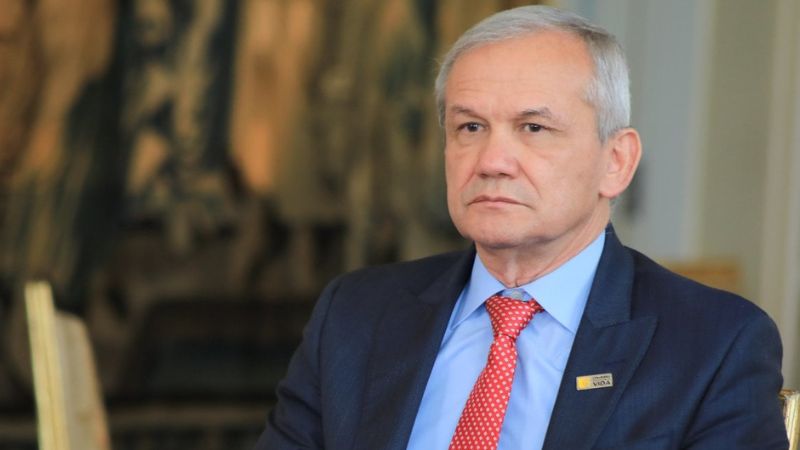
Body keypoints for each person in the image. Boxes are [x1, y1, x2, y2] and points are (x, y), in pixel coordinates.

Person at [255, 5, 788, 450]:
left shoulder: (713, 345)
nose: (492, 161)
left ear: (616, 161)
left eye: (533, 127)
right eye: (470, 127)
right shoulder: (354, 316)